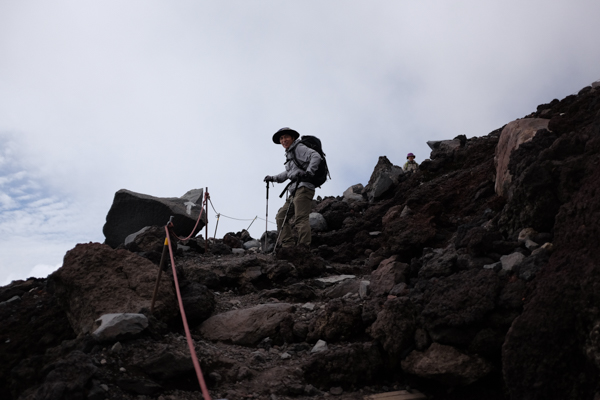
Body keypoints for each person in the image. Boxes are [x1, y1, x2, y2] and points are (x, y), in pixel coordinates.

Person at [264, 127, 322, 248]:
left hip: (304, 188)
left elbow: (316, 156)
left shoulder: (299, 148)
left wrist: (309, 172)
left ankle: (304, 248)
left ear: (293, 138)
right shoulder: (290, 153)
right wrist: (273, 178)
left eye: (286, 137)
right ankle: (288, 247)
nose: (283, 140)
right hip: (295, 191)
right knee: (281, 217)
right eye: (281, 138)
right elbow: (288, 173)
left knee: (300, 219)